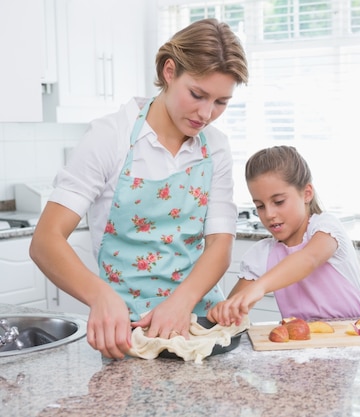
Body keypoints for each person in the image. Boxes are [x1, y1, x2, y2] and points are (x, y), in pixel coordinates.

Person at [29, 18, 248, 359]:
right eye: (197, 95)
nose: (206, 113)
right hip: (128, 334)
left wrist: (182, 302)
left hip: (200, 328)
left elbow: (220, 244)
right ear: (169, 71)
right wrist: (100, 296)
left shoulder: (215, 147)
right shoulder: (110, 137)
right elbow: (45, 241)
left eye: (221, 102)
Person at [207, 146, 360, 326]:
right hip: (300, 345)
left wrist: (259, 287)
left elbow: (308, 259)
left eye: (278, 202)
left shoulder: (326, 228)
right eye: (260, 206)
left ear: (307, 193)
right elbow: (233, 311)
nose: (269, 214)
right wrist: (225, 311)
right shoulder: (262, 254)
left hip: (355, 337)